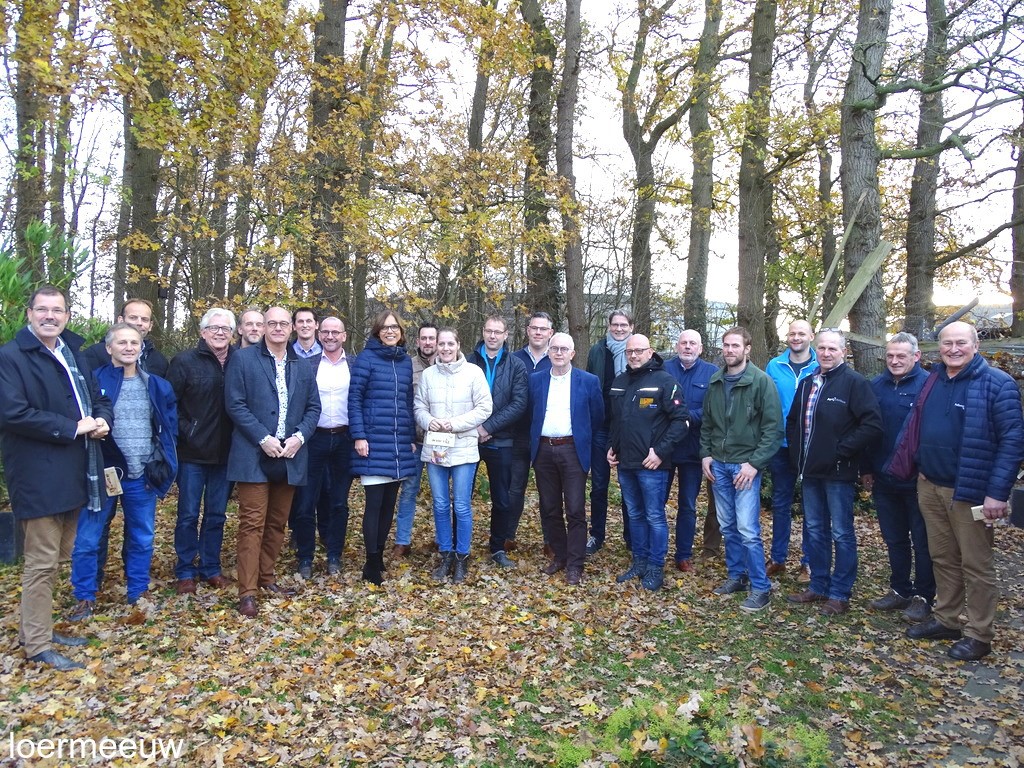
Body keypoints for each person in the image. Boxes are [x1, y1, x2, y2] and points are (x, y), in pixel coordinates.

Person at [890, 321, 1024, 660]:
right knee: (943, 558)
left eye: (961, 342)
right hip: (930, 485)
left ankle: (979, 634)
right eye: (947, 343)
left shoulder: (997, 384)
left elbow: (1012, 442)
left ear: (975, 345)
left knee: (976, 565)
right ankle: (947, 619)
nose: (953, 349)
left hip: (969, 491)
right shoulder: (933, 380)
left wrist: (997, 493)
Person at [0, 285, 112, 670]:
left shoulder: (72, 353)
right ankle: (36, 644)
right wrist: (72, 427)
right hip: (39, 475)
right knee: (41, 563)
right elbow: (12, 413)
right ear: (29, 313)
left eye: (57, 310)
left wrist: (102, 420)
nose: (50, 316)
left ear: (67, 315)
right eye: (43, 309)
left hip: (75, 471)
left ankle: (37, 629)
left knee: (59, 557)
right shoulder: (11, 357)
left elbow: (98, 398)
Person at [69, 323, 178, 617]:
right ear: (109, 348)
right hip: (103, 473)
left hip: (142, 476)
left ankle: (137, 591)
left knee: (142, 537)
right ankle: (84, 596)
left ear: (141, 348)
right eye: (122, 342)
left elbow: (169, 429)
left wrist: (162, 465)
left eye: (134, 342)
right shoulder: (93, 382)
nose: (129, 347)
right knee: (88, 539)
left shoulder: (157, 385)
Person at [226, 306, 321, 617]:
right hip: (254, 452)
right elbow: (235, 404)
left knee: (277, 522)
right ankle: (247, 592)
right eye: (272, 323)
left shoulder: (302, 365)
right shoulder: (243, 359)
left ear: (291, 328)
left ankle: (266, 577)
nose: (278, 328)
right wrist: (262, 438)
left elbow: (313, 408)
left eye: (283, 323)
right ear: (263, 327)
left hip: (290, 454)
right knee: (252, 523)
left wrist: (299, 438)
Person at [786, 329, 882, 616]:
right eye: (822, 348)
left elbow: (872, 424)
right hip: (810, 472)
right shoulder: (808, 383)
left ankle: (840, 593)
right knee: (815, 530)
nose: (826, 353)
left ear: (843, 352)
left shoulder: (854, 383)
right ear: (816, 350)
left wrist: (841, 450)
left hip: (838, 473)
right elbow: (793, 422)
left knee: (841, 533)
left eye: (832, 349)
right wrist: (796, 454)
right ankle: (818, 585)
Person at [700, 327, 781, 613]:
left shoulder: (761, 382)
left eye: (735, 345)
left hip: (745, 466)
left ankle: (761, 588)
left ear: (747, 349)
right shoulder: (716, 381)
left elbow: (773, 429)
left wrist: (754, 464)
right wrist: (706, 454)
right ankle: (738, 576)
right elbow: (707, 423)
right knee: (727, 526)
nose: (729, 350)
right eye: (726, 345)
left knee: (747, 529)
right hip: (718, 465)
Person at [861, 332, 935, 624]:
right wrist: (866, 468)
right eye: (890, 355)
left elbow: (933, 433)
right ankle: (900, 589)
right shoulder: (875, 386)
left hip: (917, 479)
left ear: (916, 356)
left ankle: (924, 596)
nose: (894, 361)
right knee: (894, 538)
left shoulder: (929, 385)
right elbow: (867, 430)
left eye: (901, 356)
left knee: (922, 541)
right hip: (883, 477)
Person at [608, 335, 688, 591]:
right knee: (634, 515)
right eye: (629, 351)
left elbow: (681, 421)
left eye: (639, 350)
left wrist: (660, 452)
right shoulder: (620, 382)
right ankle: (639, 562)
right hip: (626, 463)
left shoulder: (665, 381)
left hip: (652, 465)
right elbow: (616, 421)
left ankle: (655, 567)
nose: (634, 355)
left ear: (650, 352)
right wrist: (612, 447)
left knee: (654, 516)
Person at [167, 308, 236, 595]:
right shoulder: (184, 361)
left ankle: (210, 567)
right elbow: (169, 405)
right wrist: (189, 431)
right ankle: (185, 570)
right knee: (187, 514)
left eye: (225, 329)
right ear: (203, 331)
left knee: (216, 515)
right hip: (192, 454)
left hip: (226, 454)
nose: (220, 333)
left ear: (233, 334)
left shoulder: (239, 361)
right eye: (214, 328)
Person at [416, 329, 493, 583]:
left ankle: (462, 555)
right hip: (435, 449)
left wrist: (455, 424)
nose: (445, 348)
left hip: (464, 449)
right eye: (442, 344)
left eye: (450, 343)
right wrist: (429, 421)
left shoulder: (473, 373)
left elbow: (485, 407)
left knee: (461, 505)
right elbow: (419, 406)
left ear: (459, 345)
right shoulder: (428, 375)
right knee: (440, 504)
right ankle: (446, 553)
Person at [349, 310, 419, 585]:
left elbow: (407, 402)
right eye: (385, 327)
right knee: (374, 504)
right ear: (377, 331)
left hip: (399, 443)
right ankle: (370, 562)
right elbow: (354, 399)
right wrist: (359, 435)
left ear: (401, 332)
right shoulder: (366, 359)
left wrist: (410, 437)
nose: (390, 331)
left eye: (395, 327)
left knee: (390, 503)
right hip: (373, 441)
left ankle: (379, 556)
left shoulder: (405, 362)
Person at [529, 333, 604, 585]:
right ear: (548, 352)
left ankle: (575, 564)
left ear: (572, 353)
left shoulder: (589, 381)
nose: (559, 353)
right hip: (543, 450)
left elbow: (597, 419)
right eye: (555, 348)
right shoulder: (535, 380)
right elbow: (529, 415)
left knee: (575, 509)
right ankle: (560, 556)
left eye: (564, 349)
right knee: (549, 508)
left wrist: (591, 454)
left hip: (573, 450)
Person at [292, 316, 355, 578]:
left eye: (335, 332)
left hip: (344, 440)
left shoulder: (354, 365)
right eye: (326, 332)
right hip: (313, 439)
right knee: (305, 501)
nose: (330, 336)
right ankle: (305, 557)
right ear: (319, 335)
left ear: (344, 336)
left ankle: (334, 555)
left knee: (339, 502)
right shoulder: (307, 365)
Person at [469, 315, 527, 568]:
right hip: (469, 439)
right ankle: (460, 547)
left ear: (506, 335)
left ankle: (497, 548)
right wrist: (475, 427)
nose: (492, 336)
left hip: (501, 440)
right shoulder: (467, 362)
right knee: (462, 497)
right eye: (489, 331)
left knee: (502, 499)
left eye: (498, 332)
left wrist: (488, 427)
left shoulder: (516, 365)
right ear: (483, 332)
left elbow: (519, 403)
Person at [764, 319, 817, 580]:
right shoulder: (774, 365)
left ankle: (808, 562)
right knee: (781, 503)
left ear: (811, 336)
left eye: (801, 333)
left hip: (811, 446)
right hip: (781, 444)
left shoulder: (820, 364)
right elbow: (765, 402)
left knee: (811, 506)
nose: (796, 338)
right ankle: (778, 558)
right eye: (792, 333)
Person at [663, 329, 719, 571]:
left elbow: (713, 409)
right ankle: (656, 551)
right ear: (677, 346)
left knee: (687, 504)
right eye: (684, 342)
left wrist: (685, 417)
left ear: (700, 348)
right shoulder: (664, 369)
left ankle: (683, 554)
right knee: (657, 503)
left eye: (692, 343)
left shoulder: (712, 373)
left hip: (693, 450)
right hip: (664, 449)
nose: (687, 347)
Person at [585, 309, 633, 555]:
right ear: (609, 326)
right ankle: (597, 535)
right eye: (615, 324)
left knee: (629, 485)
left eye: (624, 325)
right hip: (601, 426)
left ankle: (631, 537)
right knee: (599, 485)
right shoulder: (597, 350)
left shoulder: (636, 351)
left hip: (628, 429)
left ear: (631, 327)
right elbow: (590, 386)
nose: (619, 329)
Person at [509, 311, 554, 551]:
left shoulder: (557, 359)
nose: (538, 332)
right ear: (527, 330)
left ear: (550, 333)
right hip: (517, 435)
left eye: (543, 329)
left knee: (548, 491)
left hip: (545, 437)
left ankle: (550, 540)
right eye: (534, 328)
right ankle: (508, 536)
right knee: (515, 489)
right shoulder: (514, 359)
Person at [393, 322, 437, 557]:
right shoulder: (407, 366)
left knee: (441, 494)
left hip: (441, 443)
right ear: (418, 341)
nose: (428, 342)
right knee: (409, 490)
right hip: (415, 441)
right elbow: (402, 404)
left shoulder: (448, 365)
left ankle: (442, 540)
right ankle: (403, 541)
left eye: (432, 338)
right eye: (424, 338)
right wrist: (407, 435)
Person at [81, 298, 169, 376]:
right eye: (133, 318)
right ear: (121, 320)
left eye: (144, 319)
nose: (139, 323)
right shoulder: (95, 354)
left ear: (150, 325)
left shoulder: (159, 361)